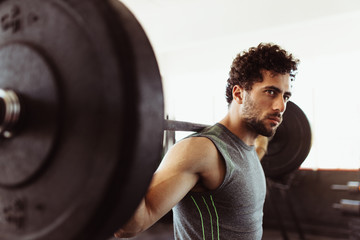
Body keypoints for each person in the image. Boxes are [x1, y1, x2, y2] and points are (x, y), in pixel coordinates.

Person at [114, 43, 299, 239]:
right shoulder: (200, 150)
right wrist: (119, 149)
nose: (281, 106)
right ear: (238, 94)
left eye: (285, 96)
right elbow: (131, 225)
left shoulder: (248, 149)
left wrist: (263, 138)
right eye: (271, 92)